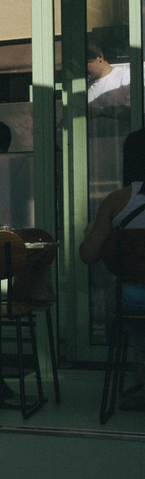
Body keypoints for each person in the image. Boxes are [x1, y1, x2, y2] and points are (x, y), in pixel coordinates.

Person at [80, 129, 145, 396]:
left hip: (131, 298)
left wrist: (91, 232)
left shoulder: (117, 200)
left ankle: (141, 374)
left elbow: (88, 255)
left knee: (128, 298)